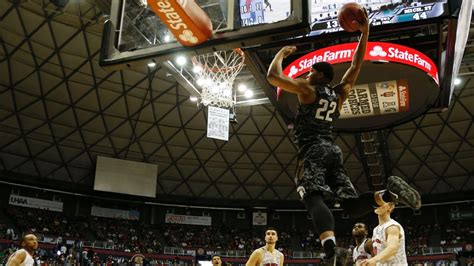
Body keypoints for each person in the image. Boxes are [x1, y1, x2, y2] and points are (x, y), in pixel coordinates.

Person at [266, 8, 421, 265]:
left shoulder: (308, 90)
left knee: (312, 196)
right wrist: (365, 32)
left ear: (319, 76)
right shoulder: (340, 93)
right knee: (350, 205)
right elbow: (356, 64)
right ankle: (390, 194)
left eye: (310, 71)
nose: (306, 75)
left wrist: (281, 54)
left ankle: (330, 250)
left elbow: (273, 77)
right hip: (332, 151)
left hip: (313, 150)